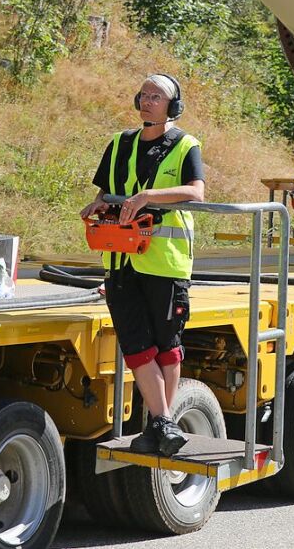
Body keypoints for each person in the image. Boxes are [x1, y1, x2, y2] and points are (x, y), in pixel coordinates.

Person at [81, 73, 205, 456]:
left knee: (166, 347)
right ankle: (165, 423)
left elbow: (196, 192)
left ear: (173, 106)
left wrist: (149, 194)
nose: (147, 101)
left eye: (157, 96)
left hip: (165, 263)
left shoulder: (186, 145)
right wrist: (99, 203)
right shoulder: (120, 143)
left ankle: (158, 425)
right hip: (121, 259)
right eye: (144, 95)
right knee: (135, 346)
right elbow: (107, 190)